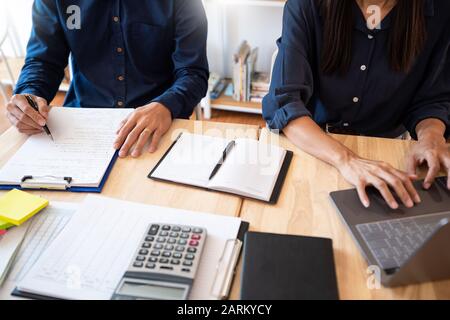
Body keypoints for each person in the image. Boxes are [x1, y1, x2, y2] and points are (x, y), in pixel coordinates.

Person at [263, 0, 450, 209]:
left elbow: (433, 98)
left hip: (389, 151)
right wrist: (347, 160)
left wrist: (431, 137)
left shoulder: (439, 11)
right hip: (317, 146)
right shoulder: (305, 5)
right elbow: (285, 103)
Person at [6, 0, 209, 158]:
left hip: (157, 125)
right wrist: (29, 95)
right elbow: (43, 61)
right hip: (80, 125)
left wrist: (166, 105)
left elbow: (193, 72)